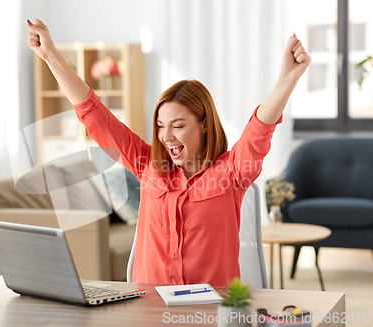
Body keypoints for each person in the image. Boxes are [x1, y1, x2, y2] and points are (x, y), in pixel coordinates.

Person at [27, 19, 310, 287]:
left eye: (178, 126)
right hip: (148, 309)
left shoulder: (231, 172)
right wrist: (50, 55)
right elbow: (93, 114)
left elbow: (259, 129)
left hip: (207, 311)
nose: (166, 137)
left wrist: (287, 79)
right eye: (161, 126)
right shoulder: (147, 165)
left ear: (204, 125)